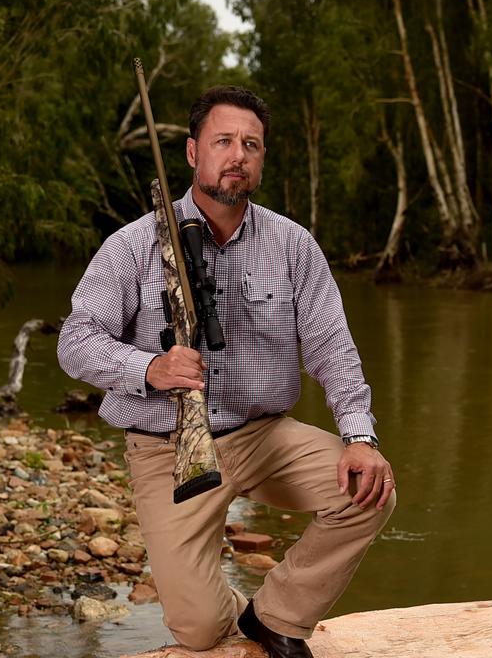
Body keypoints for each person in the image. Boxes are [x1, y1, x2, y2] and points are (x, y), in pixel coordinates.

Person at [57, 85, 396, 658]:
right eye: (223, 141)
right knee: (197, 630)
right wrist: (151, 367)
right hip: (167, 447)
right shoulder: (133, 245)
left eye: (251, 144)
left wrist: (360, 437)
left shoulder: (292, 244)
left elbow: (331, 347)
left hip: (263, 437)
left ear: (261, 157)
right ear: (193, 153)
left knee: (369, 489)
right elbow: (74, 341)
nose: (237, 154)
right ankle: (235, 611)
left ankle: (277, 615)